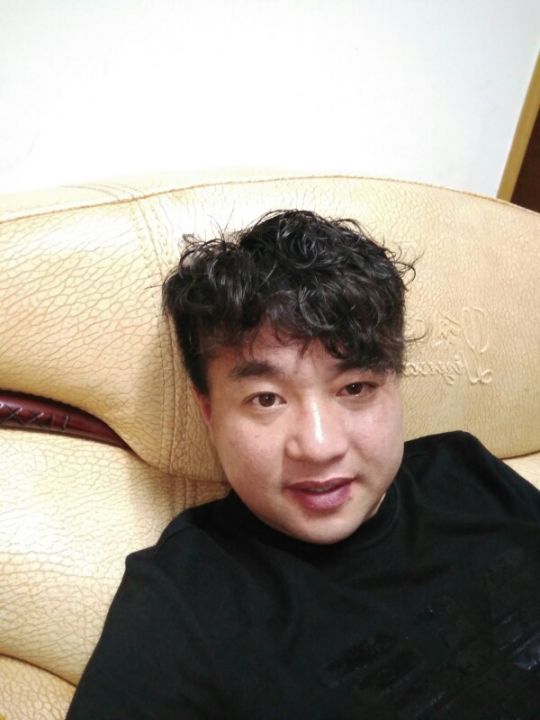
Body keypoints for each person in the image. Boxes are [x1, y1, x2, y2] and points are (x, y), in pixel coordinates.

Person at [66, 210, 540, 719]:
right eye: (266, 399)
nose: (318, 446)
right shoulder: (179, 605)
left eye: (354, 388)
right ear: (209, 411)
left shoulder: (463, 469)